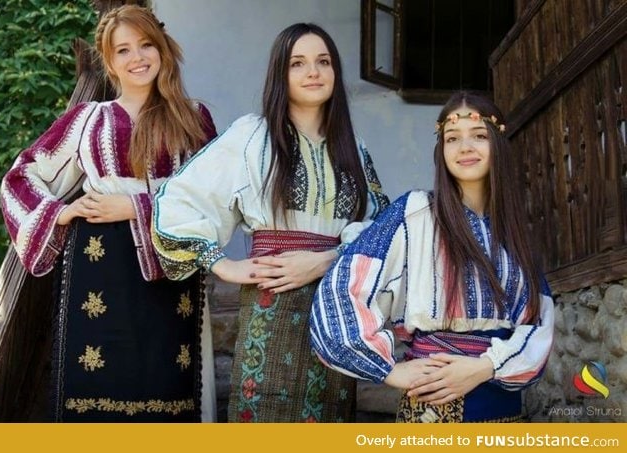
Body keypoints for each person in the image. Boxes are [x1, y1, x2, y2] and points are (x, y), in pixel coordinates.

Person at [152, 23, 390, 422]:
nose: (313, 72)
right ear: (281, 74)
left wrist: (326, 259)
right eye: (298, 63)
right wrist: (222, 264)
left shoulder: (354, 148)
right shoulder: (253, 137)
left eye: (323, 61)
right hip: (272, 304)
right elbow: (178, 200)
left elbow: (381, 229)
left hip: (336, 308)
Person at [0, 4, 217, 422]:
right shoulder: (87, 120)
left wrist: (134, 206)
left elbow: (212, 198)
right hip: (98, 267)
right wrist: (59, 214)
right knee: (99, 382)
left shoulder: (194, 119)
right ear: (110, 62)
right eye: (123, 50)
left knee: (168, 387)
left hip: (172, 267)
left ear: (163, 49)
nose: (137, 58)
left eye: (146, 45)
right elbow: (22, 175)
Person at [310, 91, 555, 423]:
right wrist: (391, 371)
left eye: (479, 136)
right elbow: (343, 288)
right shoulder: (415, 213)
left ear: (498, 143)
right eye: (452, 138)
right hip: (432, 406)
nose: (465, 147)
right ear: (441, 151)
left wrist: (485, 367)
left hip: (503, 409)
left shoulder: (514, 233)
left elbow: (538, 324)